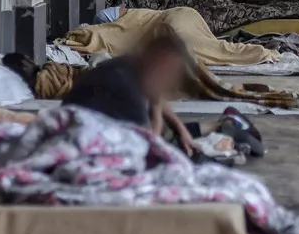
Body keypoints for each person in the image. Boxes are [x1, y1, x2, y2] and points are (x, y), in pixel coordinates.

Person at [62, 24, 198, 154]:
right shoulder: (125, 89)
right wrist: (157, 118)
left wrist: (180, 129)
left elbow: (157, 96)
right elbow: (148, 149)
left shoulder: (129, 64)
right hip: (81, 144)